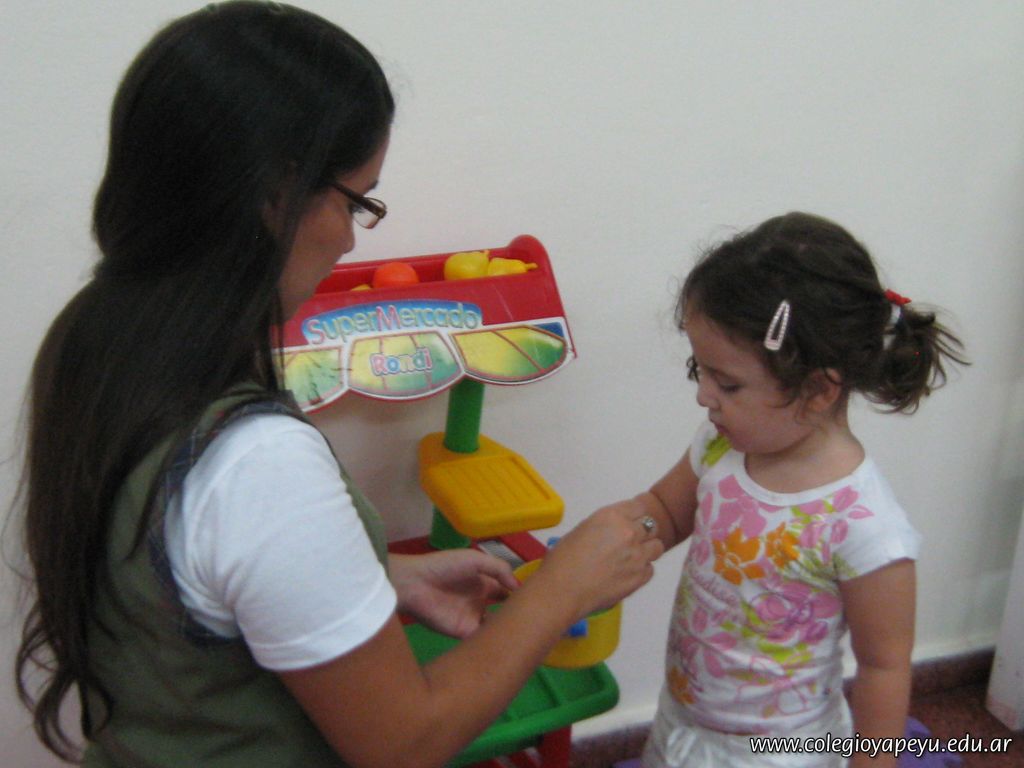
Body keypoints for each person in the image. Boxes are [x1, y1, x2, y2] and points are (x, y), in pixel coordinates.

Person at [13, 4, 664, 767]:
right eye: (354, 201)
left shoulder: (92, 337)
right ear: (274, 196)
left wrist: (371, 575)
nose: (351, 238)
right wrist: (563, 593)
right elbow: (404, 741)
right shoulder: (258, 462)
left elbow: (194, 571)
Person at [614, 212, 967, 767]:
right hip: (682, 720)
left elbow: (884, 666)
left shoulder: (865, 525)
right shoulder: (720, 447)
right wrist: (598, 554)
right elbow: (663, 511)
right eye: (698, 370)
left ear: (819, 389)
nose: (704, 395)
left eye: (727, 383)